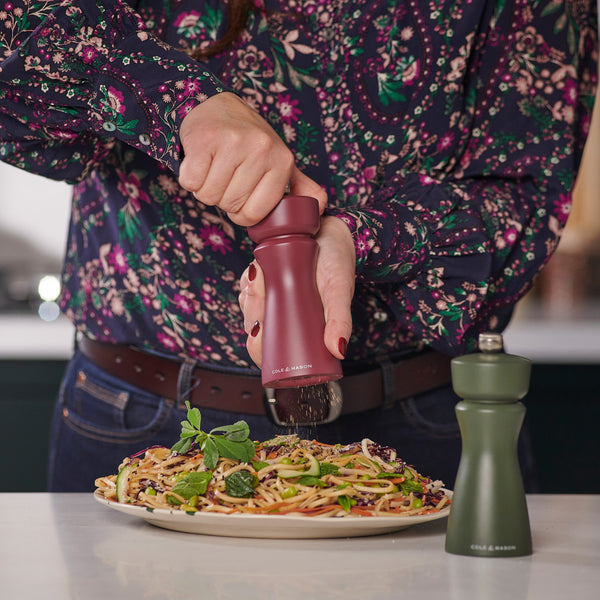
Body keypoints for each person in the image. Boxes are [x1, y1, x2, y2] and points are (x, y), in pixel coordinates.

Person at [0, 0, 597, 492]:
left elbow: (525, 193)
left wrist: (357, 237)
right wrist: (181, 102)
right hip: (141, 422)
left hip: (423, 426)